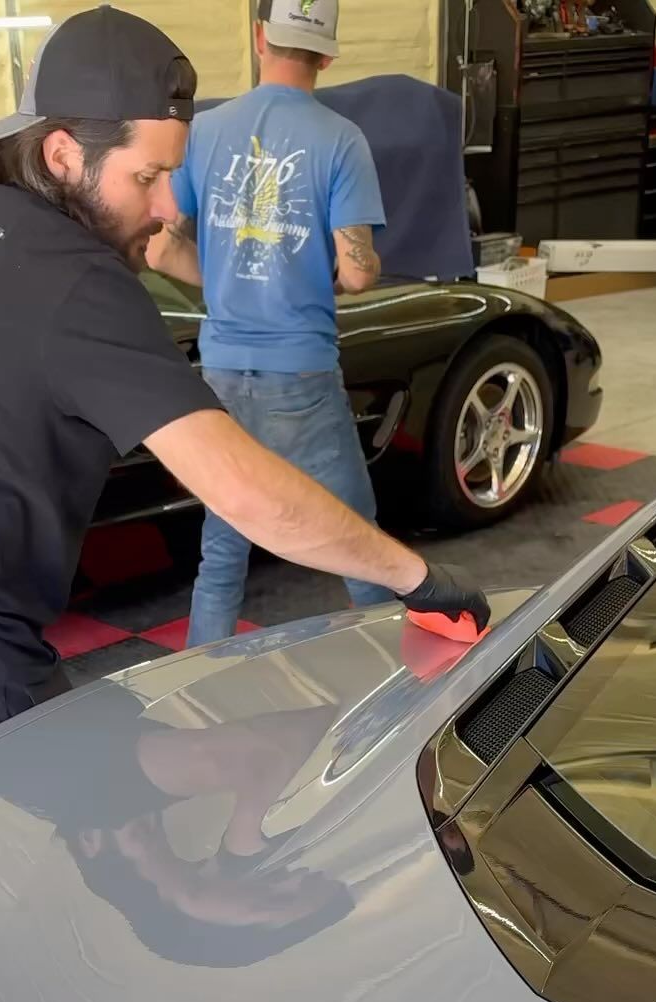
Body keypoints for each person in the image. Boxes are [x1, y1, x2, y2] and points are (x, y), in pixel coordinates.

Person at [0, 4, 487, 783]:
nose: (168, 207)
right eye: (149, 176)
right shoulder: (76, 279)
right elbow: (249, 492)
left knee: (121, 823)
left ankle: (227, 847)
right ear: (63, 154)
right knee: (67, 857)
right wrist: (421, 579)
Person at [147, 0, 393, 648]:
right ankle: (406, 689)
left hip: (223, 369)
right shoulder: (341, 140)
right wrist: (343, 265)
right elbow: (359, 271)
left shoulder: (205, 130)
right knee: (360, 544)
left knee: (223, 549)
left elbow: (161, 245)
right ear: (330, 53)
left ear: (261, 38)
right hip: (301, 376)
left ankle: (195, 691)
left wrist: (229, 276)